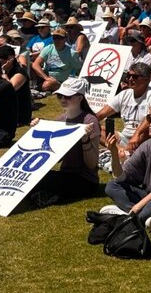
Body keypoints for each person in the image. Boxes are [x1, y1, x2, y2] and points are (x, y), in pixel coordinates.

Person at [28, 77, 100, 206]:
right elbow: (54, 156)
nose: (62, 99)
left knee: (49, 181)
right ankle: (49, 194)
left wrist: (85, 140)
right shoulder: (61, 120)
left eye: (67, 96)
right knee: (34, 177)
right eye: (60, 96)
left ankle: (50, 195)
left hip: (85, 179)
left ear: (80, 98)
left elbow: (92, 164)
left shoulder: (89, 121)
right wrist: (39, 130)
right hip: (66, 173)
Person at [95, 62, 151, 154]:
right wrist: (87, 121)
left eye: (135, 77)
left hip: (143, 139)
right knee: (96, 128)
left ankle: (123, 153)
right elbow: (100, 114)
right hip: (124, 137)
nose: (130, 79)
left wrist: (137, 134)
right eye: (128, 75)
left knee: (147, 129)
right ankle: (122, 151)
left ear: (146, 80)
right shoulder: (124, 94)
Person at [32, 27, 83, 92]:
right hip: (46, 76)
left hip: (61, 80)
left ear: (65, 39)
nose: (57, 40)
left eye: (60, 38)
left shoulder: (72, 53)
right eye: (55, 38)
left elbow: (78, 68)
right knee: (30, 65)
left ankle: (41, 88)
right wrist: (46, 77)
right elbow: (35, 64)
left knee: (47, 85)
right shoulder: (48, 48)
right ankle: (35, 86)